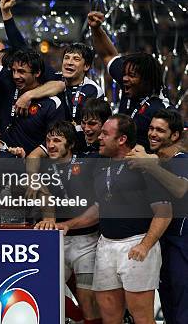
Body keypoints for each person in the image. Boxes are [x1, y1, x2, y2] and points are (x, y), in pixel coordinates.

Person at [56, 114, 172, 324]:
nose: (99, 137)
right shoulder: (101, 164)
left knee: (142, 317)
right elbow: (100, 207)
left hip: (136, 244)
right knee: (109, 316)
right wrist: (68, 225)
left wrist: (145, 246)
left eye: (105, 134)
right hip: (105, 246)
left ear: (122, 139)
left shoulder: (143, 164)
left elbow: (164, 212)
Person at [33, 121, 101, 324]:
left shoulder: (89, 163)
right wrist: (48, 217)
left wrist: (69, 224)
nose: (51, 145)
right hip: (58, 242)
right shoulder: (44, 169)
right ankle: (77, 318)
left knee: (88, 301)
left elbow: (100, 207)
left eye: (57, 140)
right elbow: (45, 198)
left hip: (87, 242)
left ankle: (84, 318)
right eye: (48, 140)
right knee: (43, 290)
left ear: (70, 144)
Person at [126, 109, 187, 324]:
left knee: (183, 312)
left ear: (175, 136)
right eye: (151, 128)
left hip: (182, 245)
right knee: (170, 310)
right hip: (162, 244)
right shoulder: (154, 161)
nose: (152, 134)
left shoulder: (182, 159)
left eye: (160, 130)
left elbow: (181, 188)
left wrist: (150, 165)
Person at [88, 11, 171, 150]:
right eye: (124, 74)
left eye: (131, 75)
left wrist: (152, 161)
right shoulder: (130, 81)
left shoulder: (161, 108)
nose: (124, 78)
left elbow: (180, 139)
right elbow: (108, 55)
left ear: (146, 80)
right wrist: (96, 29)